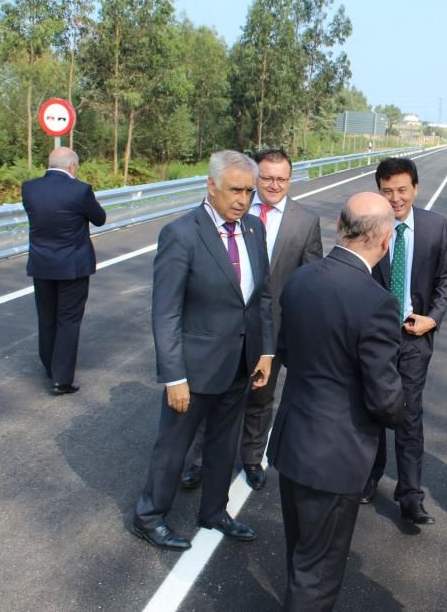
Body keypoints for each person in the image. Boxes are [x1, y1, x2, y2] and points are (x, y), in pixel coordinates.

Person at [268, 192, 406, 612]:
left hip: (293, 441)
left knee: (302, 555)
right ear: (384, 241)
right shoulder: (377, 302)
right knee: (319, 572)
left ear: (340, 227)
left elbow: (287, 352)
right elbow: (384, 398)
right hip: (335, 455)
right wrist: (404, 409)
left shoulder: (301, 280)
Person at [131, 150, 274, 552]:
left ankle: (214, 511)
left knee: (223, 445)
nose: (243, 200)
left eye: (249, 191)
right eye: (234, 191)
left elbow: (260, 297)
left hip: (240, 363)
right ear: (210, 186)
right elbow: (165, 312)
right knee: (173, 448)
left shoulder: (253, 230)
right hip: (193, 371)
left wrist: (265, 352)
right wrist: (174, 376)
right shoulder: (182, 234)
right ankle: (149, 517)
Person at [179, 148, 322, 493]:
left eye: (282, 179)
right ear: (256, 178)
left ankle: (251, 458)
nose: (274, 185)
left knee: (261, 398)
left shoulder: (306, 221)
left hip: (274, 330)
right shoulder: (232, 211)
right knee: (212, 396)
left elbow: (310, 279)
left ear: (290, 179)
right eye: (267, 177)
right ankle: (196, 461)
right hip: (226, 327)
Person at [362, 157, 447, 525]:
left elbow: (446, 279)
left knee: (409, 414)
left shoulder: (435, 227)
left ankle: (410, 495)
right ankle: (370, 476)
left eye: (402, 190)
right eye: (387, 191)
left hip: (415, 336)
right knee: (371, 409)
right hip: (375, 338)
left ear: (415, 188)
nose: (396, 198)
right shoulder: (370, 226)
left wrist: (432, 318)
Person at [21, 147, 107, 394]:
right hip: (73, 266)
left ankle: (49, 368)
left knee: (46, 318)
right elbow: (99, 218)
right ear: (72, 166)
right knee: (68, 320)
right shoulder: (80, 190)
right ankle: (61, 379)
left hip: (42, 264)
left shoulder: (29, 188)